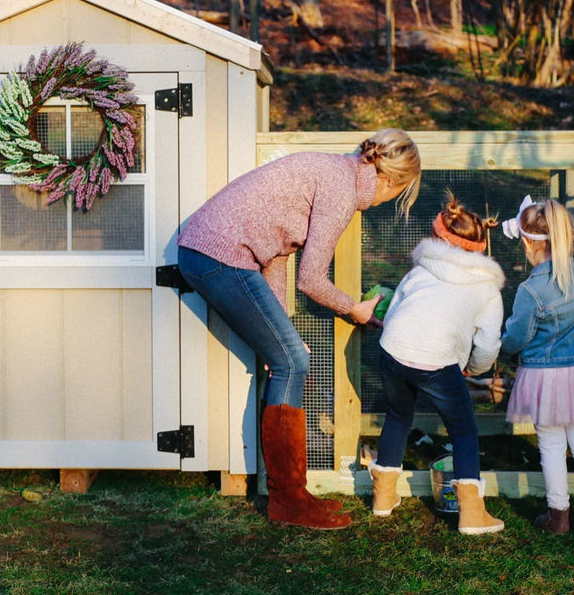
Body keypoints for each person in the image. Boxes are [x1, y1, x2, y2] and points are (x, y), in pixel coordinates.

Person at [176, 129, 422, 530]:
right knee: (292, 362)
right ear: (392, 181)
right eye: (397, 193)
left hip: (212, 251)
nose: (387, 201)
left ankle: (292, 495)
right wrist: (354, 309)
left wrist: (282, 330)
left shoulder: (333, 171)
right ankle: (287, 499)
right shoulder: (341, 189)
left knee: (288, 359)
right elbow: (311, 279)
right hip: (218, 255)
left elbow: (276, 253)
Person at [369, 191, 506, 535]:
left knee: (398, 416)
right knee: (463, 430)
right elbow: (488, 343)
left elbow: (397, 307)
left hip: (394, 349)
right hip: (439, 361)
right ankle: (472, 513)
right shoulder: (487, 288)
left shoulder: (420, 269)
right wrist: (474, 371)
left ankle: (382, 499)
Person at [500, 196, 574, 537]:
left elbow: (516, 339)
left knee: (550, 444)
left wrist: (502, 342)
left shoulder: (530, 290)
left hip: (544, 378)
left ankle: (558, 516)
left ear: (525, 242)